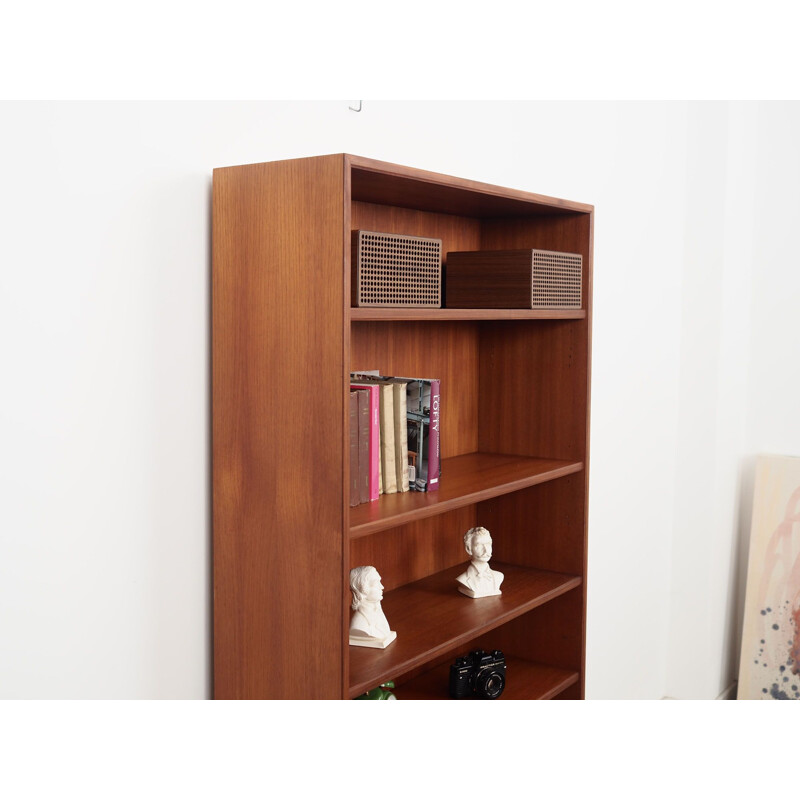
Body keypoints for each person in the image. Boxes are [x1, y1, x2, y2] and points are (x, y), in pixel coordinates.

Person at [349, 566, 397, 649]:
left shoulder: (378, 612)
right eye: (375, 583)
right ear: (362, 589)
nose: (382, 587)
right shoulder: (359, 625)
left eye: (380, 582)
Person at [456, 527, 504, 598]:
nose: (486, 550)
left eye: (488, 544)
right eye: (479, 545)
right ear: (468, 549)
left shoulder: (499, 576)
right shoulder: (463, 579)